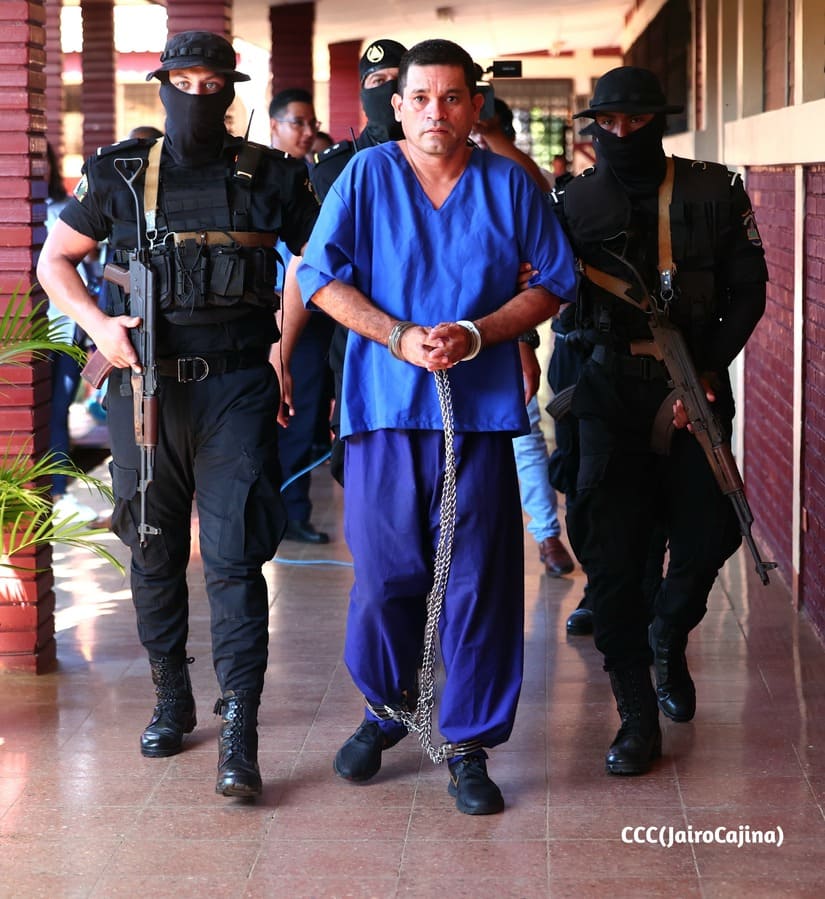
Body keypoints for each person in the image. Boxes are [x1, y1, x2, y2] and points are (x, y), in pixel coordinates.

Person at [37, 31, 320, 798]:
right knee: (153, 549)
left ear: (229, 89)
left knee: (234, 557)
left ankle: (240, 726)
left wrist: (284, 348)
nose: (196, 95)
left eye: (211, 83)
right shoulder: (119, 174)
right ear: (161, 86)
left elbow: (321, 259)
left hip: (237, 388)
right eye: (183, 82)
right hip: (144, 391)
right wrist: (100, 326)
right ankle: (171, 696)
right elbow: (54, 260)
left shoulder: (271, 176)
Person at [297, 39, 577, 815]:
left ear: (473, 106)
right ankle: (384, 706)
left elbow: (556, 279)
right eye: (420, 97)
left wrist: (480, 332)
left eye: (452, 97)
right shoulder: (366, 175)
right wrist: (394, 335)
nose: (435, 112)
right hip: (383, 407)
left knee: (478, 581)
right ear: (397, 106)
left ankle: (467, 744)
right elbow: (316, 274)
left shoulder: (506, 184)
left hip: (477, 415)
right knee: (387, 575)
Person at [551, 66, 768, 775]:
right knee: (613, 556)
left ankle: (668, 636)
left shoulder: (714, 188)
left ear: (658, 121)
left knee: (710, 533)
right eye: (607, 123)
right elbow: (545, 289)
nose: (620, 133)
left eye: (635, 121)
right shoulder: (573, 201)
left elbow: (748, 291)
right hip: (609, 391)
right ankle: (636, 713)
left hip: (694, 384)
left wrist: (701, 370)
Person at [471, 97, 574, 577]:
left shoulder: (508, 177)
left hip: (504, 332)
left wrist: (522, 344)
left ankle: (547, 533)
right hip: (429, 337)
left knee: (525, 433)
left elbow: (540, 192)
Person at [268, 88, 333, 543]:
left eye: (313, 123)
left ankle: (294, 512)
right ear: (274, 125)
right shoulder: (256, 177)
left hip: (312, 313)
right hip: (265, 311)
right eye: (298, 123)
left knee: (304, 415)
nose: (308, 131)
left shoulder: (321, 176)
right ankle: (269, 512)